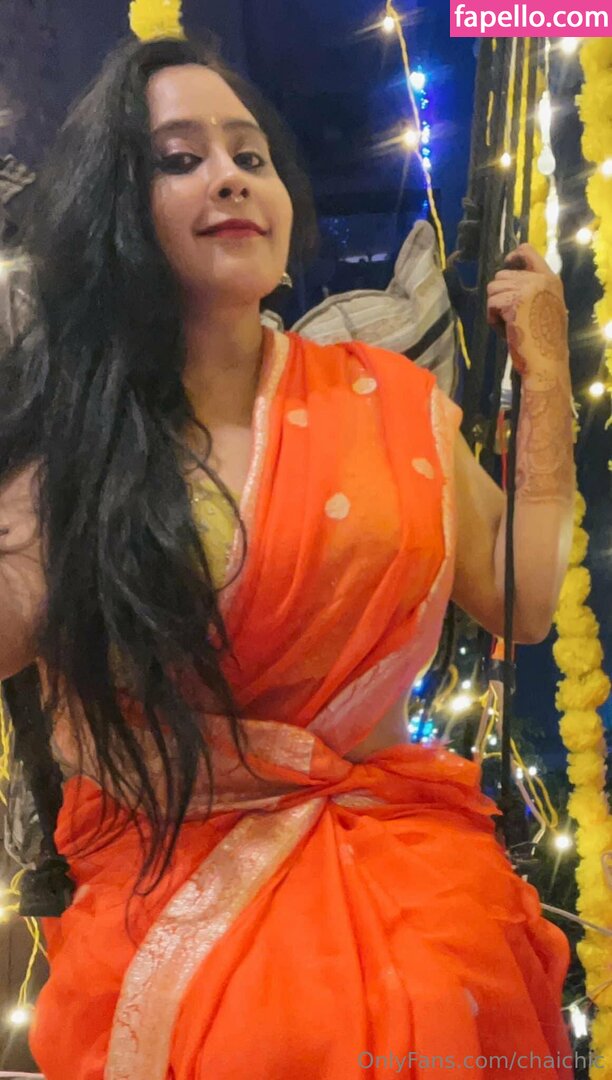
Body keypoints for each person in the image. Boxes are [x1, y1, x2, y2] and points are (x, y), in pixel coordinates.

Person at [0, 33, 577, 1080]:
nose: (230, 176)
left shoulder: (387, 400)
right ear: (114, 208)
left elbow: (525, 600)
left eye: (250, 155)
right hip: (169, 901)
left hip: (410, 878)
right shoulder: (77, 438)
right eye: (180, 159)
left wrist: (547, 384)